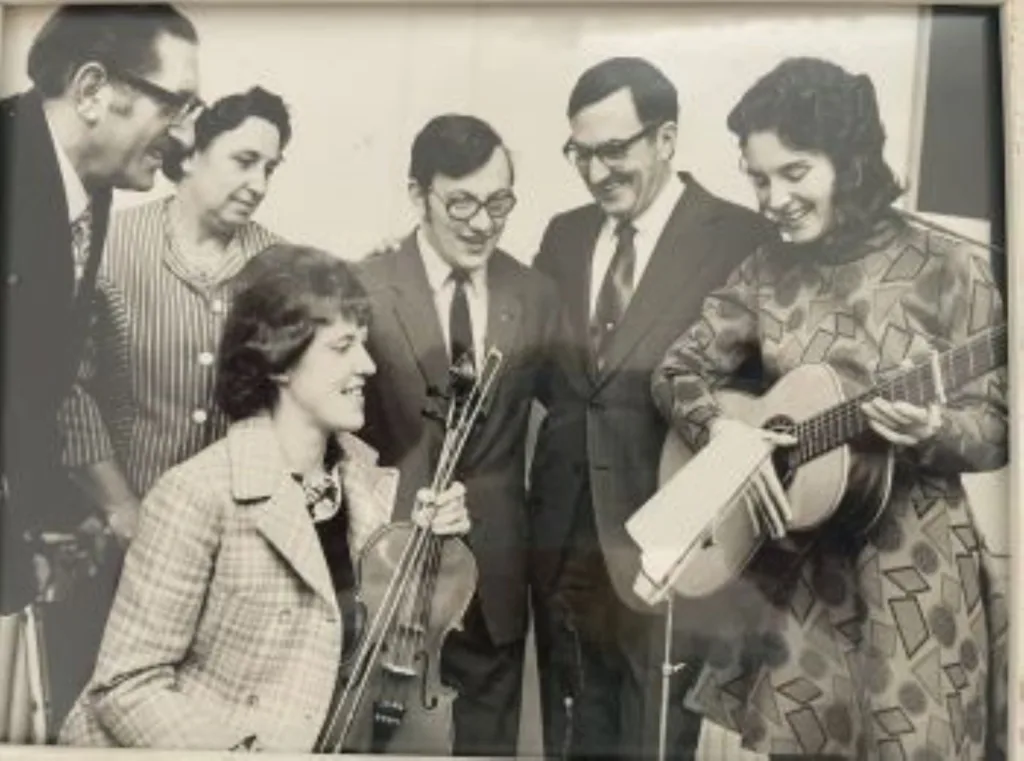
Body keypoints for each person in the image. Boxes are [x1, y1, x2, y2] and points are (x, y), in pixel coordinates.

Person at [651, 57, 1007, 760]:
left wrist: (936, 429)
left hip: (916, 577)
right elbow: (675, 368)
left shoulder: (950, 267)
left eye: (795, 172)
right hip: (802, 582)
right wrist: (722, 430)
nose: (773, 197)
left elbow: (998, 424)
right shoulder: (764, 271)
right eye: (759, 177)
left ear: (849, 161)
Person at [57, 244, 471, 750]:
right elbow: (125, 685)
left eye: (364, 344)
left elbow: (374, 653)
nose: (367, 365)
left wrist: (434, 554)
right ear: (279, 362)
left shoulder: (368, 486)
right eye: (342, 347)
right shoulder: (195, 494)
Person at [527, 56, 776, 760]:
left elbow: (756, 395)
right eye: (581, 152)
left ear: (665, 139)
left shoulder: (741, 239)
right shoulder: (562, 234)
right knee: (570, 735)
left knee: (654, 738)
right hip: (566, 527)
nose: (597, 171)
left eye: (615, 149)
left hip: (674, 532)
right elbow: (548, 373)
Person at [354, 113, 559, 756]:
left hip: (497, 566)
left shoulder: (536, 293)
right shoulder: (364, 286)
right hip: (393, 563)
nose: (482, 222)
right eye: (462, 201)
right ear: (418, 196)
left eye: (498, 201)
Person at [59, 86, 290, 546]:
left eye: (270, 168)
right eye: (244, 161)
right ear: (187, 157)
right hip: (114, 534)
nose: (260, 185)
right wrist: (122, 507)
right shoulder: (108, 248)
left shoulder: (281, 266)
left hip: (233, 542)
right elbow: (69, 388)